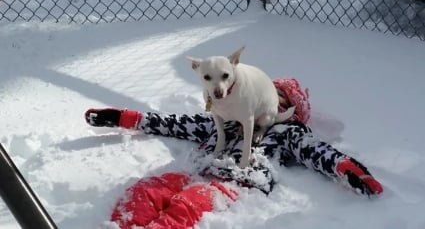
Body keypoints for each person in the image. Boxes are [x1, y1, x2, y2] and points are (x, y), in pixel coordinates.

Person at [86, 77, 383, 228]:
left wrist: (349, 169)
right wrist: (126, 118)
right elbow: (176, 124)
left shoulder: (288, 133)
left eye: (281, 104)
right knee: (146, 189)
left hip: (233, 184)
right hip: (195, 170)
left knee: (186, 205)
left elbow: (318, 152)